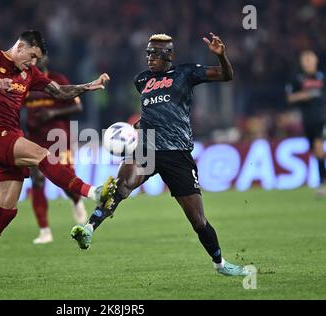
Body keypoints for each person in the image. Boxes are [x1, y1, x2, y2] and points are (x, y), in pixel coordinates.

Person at [71, 33, 250, 276]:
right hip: (148, 147)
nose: (149, 57)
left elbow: (226, 75)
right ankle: (89, 228)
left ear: (169, 55)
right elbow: (153, 108)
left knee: (198, 220)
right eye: (147, 53)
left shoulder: (186, 73)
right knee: (121, 187)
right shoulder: (141, 80)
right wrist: (139, 125)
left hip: (177, 153)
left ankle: (220, 263)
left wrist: (221, 56)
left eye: (155, 53)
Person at [0, 30, 116, 287]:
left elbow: (59, 92)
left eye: (37, 59)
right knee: (42, 154)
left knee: (7, 210)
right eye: (31, 56)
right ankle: (93, 193)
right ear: (19, 46)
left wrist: (87, 87)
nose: (33, 63)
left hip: (11, 134)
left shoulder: (29, 73)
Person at [24, 56, 87, 244]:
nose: (34, 60)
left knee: (64, 179)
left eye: (37, 56)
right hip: (35, 138)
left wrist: (53, 113)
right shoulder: (24, 81)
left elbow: (78, 107)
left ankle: (76, 201)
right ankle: (44, 230)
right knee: (37, 179)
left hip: (59, 138)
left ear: (46, 58)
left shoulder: (59, 80)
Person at [286, 50, 326, 197]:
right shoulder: (297, 79)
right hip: (308, 120)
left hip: (322, 118)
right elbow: (289, 98)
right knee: (316, 152)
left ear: (316, 61)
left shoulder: (322, 77)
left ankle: (323, 183)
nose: (308, 62)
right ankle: (323, 181)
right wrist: (303, 95)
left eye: (310, 59)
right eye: (305, 59)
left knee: (319, 147)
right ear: (302, 62)